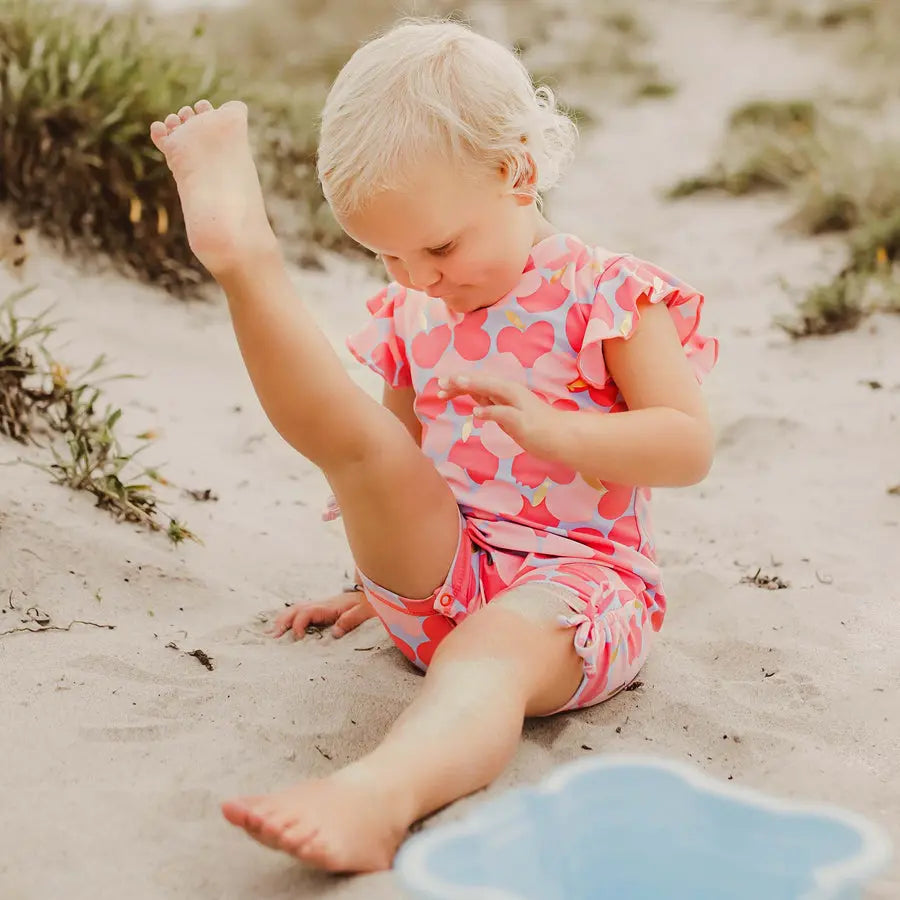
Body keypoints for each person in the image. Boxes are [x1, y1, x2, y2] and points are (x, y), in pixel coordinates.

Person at [149, 17, 718, 874]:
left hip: (577, 586)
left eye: (440, 247)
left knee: (487, 654)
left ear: (516, 173)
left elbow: (687, 447)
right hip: (442, 577)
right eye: (386, 255)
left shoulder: (606, 295)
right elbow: (395, 457)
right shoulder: (418, 309)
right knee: (362, 451)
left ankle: (377, 798)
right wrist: (371, 587)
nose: (417, 278)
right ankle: (244, 260)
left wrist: (560, 431)